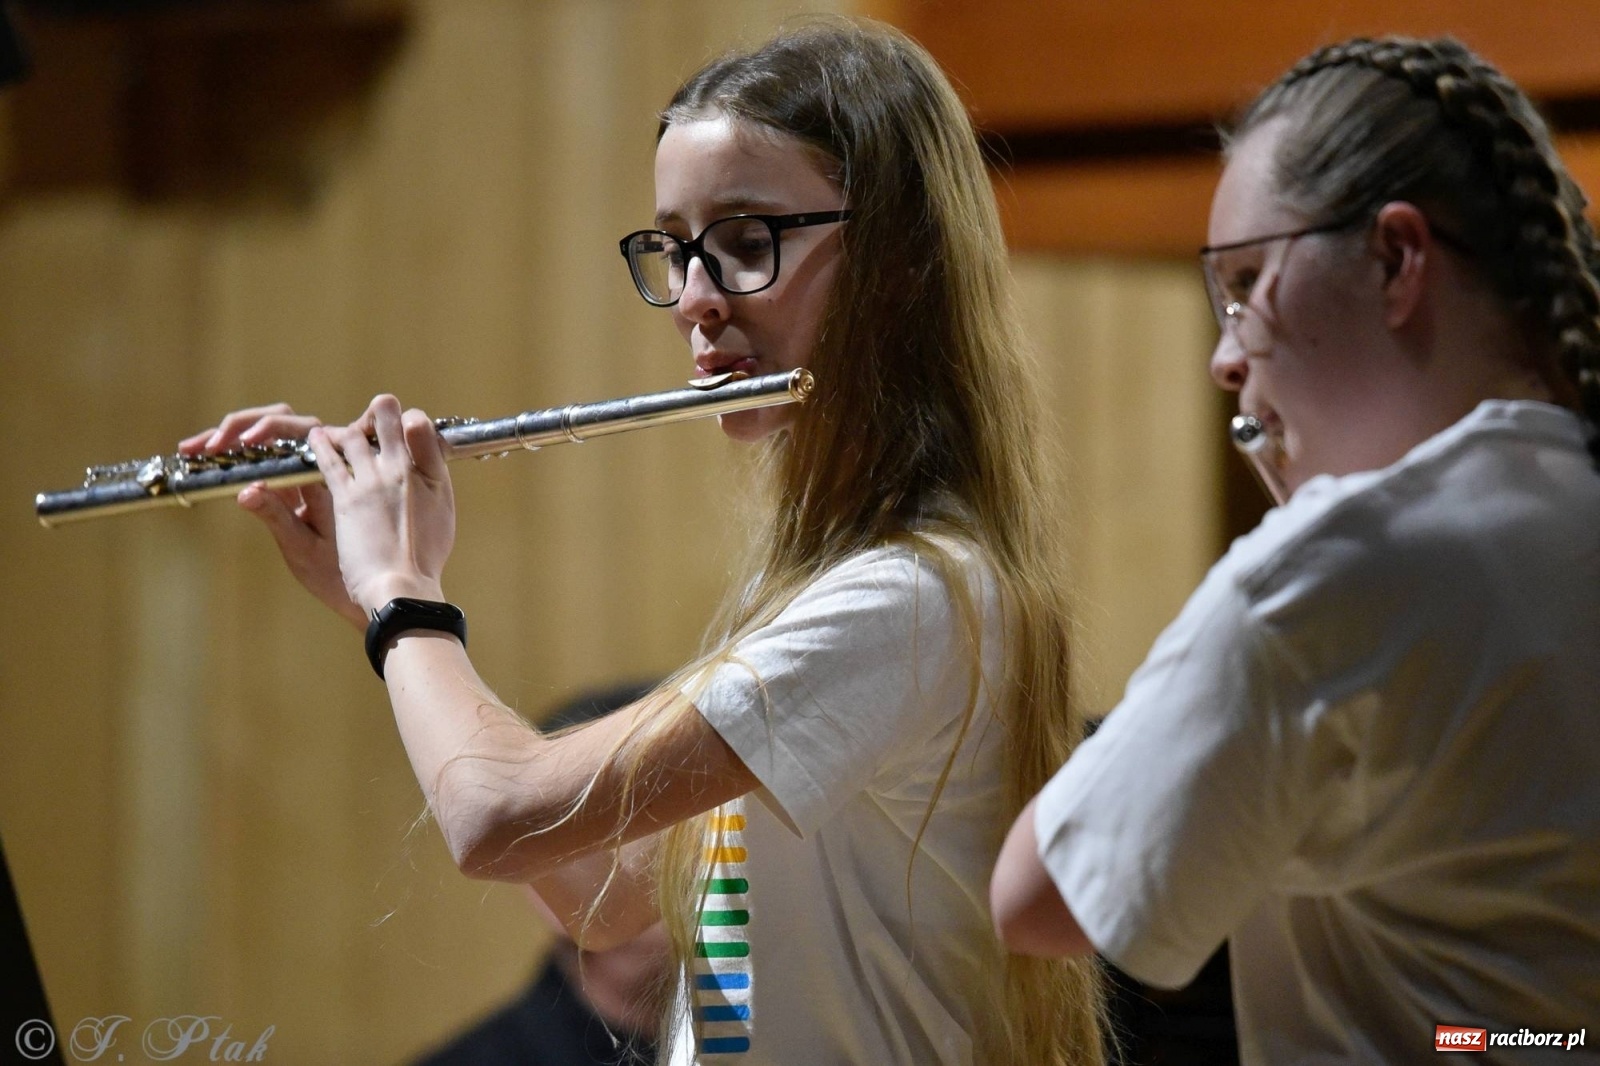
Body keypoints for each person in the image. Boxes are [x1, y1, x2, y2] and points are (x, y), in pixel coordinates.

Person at [184, 18, 1105, 1065]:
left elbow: (494, 816)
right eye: (676, 248)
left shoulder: (910, 597)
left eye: (749, 243)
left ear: (897, 261)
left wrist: (405, 596)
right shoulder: (824, 587)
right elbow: (607, 900)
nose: (698, 302)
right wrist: (375, 598)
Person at [989, 34, 1600, 1065]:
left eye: (1246, 281)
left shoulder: (1334, 567)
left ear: (1396, 260)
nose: (1225, 357)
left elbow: (1039, 900)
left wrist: (1270, 566)